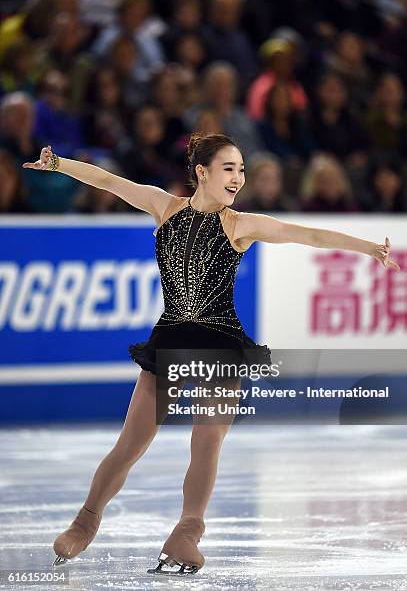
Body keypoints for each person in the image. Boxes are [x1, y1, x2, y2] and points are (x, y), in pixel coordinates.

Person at [22, 134, 400, 576]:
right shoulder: (164, 207)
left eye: (241, 170)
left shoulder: (241, 225)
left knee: (206, 439)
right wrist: (58, 164)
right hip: (169, 341)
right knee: (130, 444)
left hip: (220, 344)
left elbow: (309, 234)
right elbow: (107, 180)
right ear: (202, 172)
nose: (238, 178)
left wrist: (369, 248)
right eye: (229, 168)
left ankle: (187, 532)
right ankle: (86, 521)